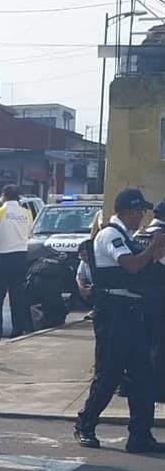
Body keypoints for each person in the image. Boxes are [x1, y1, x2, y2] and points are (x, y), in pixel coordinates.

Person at [74, 188, 165, 453]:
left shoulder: (127, 236)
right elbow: (131, 266)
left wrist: (155, 254)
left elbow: (143, 270)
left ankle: (140, 434)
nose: (142, 217)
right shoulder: (110, 235)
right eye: (140, 211)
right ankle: (85, 423)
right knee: (109, 373)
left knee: (142, 375)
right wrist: (153, 249)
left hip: (132, 311)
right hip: (113, 312)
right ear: (129, 210)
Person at [0, 184, 33, 344]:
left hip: (1, 259)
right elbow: (29, 233)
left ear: (4, 196)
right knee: (17, 297)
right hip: (21, 258)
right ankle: (18, 331)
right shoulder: (27, 213)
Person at [135, 200, 165, 403]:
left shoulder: (140, 233)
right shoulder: (161, 236)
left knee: (141, 344)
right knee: (160, 345)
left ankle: (133, 385)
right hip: (159, 294)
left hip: (139, 296)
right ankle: (158, 390)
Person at [76, 241, 95, 320]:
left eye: (85, 255)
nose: (84, 258)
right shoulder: (83, 262)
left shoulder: (99, 261)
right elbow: (80, 276)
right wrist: (81, 288)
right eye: (81, 256)